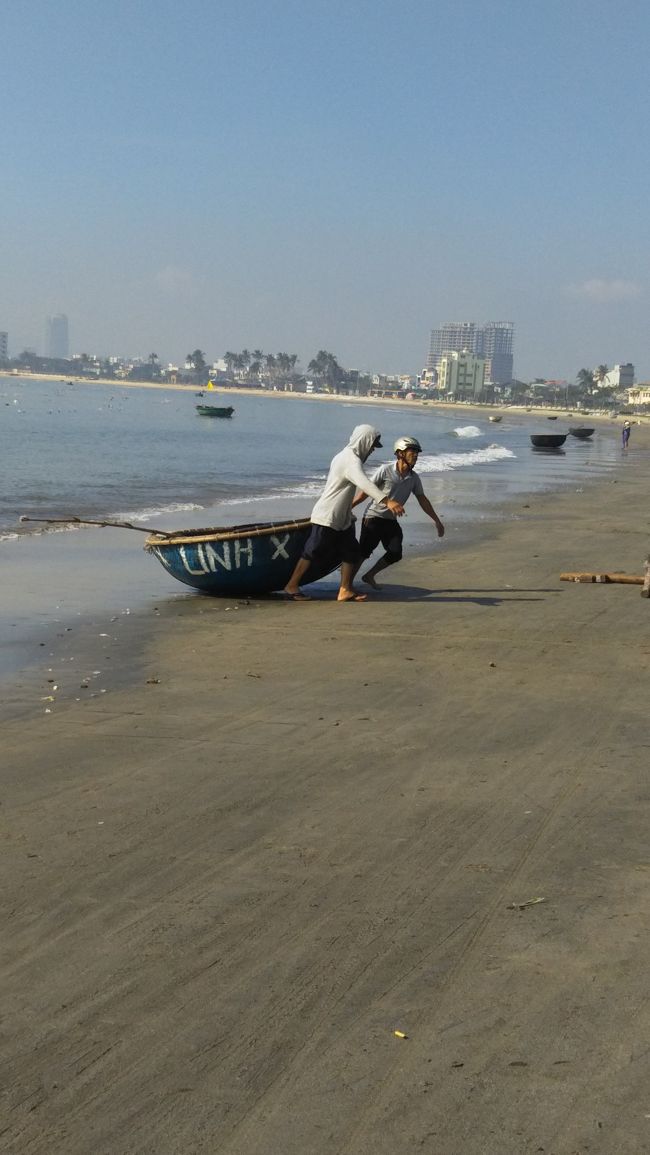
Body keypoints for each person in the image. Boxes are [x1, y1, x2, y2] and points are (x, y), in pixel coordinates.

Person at [283, 424, 405, 602]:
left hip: (343, 518)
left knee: (351, 551)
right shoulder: (349, 460)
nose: (372, 450)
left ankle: (345, 589)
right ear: (364, 441)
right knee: (312, 551)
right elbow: (365, 484)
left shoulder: (347, 457)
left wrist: (348, 512)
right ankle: (291, 585)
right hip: (328, 515)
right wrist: (388, 501)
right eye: (372, 445)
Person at [351, 435, 444, 590]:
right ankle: (347, 585)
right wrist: (350, 507)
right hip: (373, 517)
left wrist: (437, 520)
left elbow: (423, 500)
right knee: (364, 552)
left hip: (390, 520)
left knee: (395, 552)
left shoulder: (413, 478)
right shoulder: (385, 470)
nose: (415, 455)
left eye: (417, 452)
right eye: (412, 451)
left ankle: (369, 575)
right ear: (400, 453)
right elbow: (366, 490)